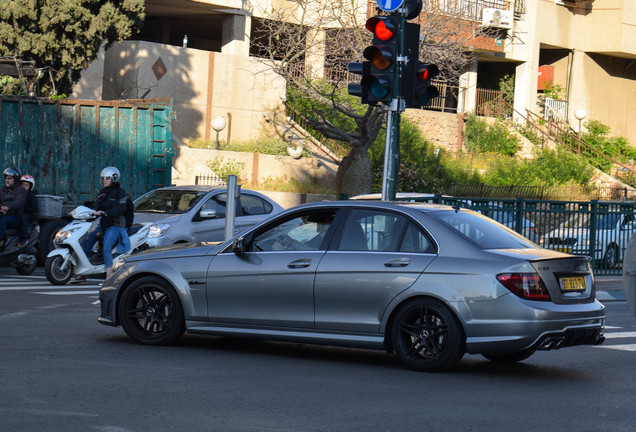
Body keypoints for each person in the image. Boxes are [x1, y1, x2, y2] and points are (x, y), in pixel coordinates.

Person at [70, 166, 131, 283]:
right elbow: (96, 206)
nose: (105, 180)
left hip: (115, 225)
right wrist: (87, 212)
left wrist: (107, 213)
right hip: (103, 224)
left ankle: (108, 276)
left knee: (106, 248)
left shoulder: (120, 192)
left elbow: (121, 209)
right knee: (86, 244)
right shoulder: (102, 192)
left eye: (107, 178)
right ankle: (82, 273)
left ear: (114, 178)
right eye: (103, 178)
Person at [0, 167, 27, 251]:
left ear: (15, 179)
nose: (7, 180)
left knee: (4, 219)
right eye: (6, 178)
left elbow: (19, 202)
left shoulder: (21, 190)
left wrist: (8, 207)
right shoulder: (3, 190)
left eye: (10, 178)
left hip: (14, 218)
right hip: (2, 214)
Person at [18, 174, 38, 247]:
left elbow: (34, 208)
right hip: (18, 212)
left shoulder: (31, 195)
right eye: (23, 185)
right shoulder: (17, 194)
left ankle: (24, 238)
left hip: (27, 214)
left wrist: (25, 208)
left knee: (23, 218)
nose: (24, 187)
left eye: (26, 185)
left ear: (30, 187)